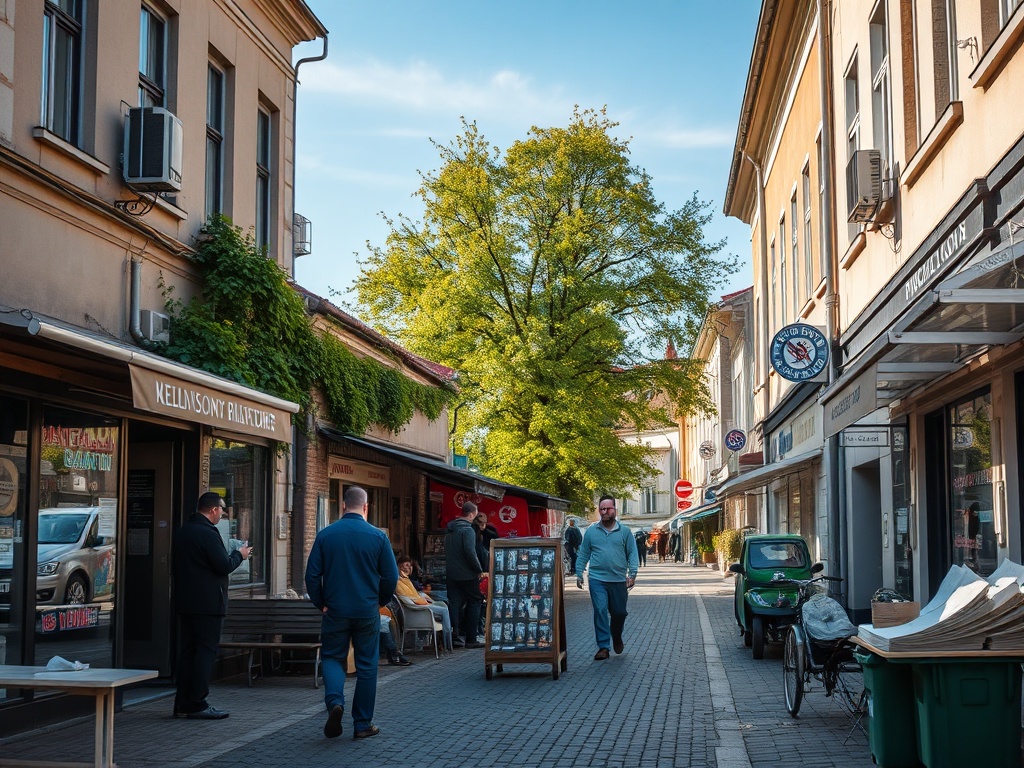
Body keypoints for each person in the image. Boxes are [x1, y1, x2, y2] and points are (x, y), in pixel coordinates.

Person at [305, 485, 399, 741]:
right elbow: (391, 576)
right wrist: (379, 600)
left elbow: (311, 575)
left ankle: (335, 702)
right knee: (367, 666)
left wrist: (320, 603)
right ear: (366, 507)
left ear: (343, 505)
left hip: (335, 609)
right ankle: (362, 724)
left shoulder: (326, 535)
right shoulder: (378, 537)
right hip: (366, 610)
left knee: (333, 657)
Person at [172, 492, 252, 720]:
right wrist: (240, 555)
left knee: (188, 652)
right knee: (205, 653)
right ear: (214, 510)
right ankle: (198, 703)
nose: (223, 515)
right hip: (208, 604)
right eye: (222, 510)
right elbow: (223, 565)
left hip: (186, 602)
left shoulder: (184, 531)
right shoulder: (207, 533)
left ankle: (182, 702)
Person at [575, 495, 638, 661]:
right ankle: (603, 646)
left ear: (615, 510)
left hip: (618, 579)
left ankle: (616, 636)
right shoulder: (591, 531)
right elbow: (583, 553)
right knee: (600, 610)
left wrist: (632, 573)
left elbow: (632, 553)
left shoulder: (624, 532)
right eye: (602, 509)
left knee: (619, 613)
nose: (605, 512)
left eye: (608, 509)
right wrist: (579, 572)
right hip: (597, 579)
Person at [445, 501, 486, 649]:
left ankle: (454, 637)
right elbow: (470, 552)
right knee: (475, 600)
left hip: (451, 574)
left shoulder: (450, 530)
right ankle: (471, 638)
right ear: (470, 514)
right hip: (467, 574)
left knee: (454, 603)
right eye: (475, 514)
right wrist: (478, 569)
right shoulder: (467, 530)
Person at [396, 556, 453, 650]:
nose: (409, 568)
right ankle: (448, 642)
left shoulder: (406, 579)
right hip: (419, 608)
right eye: (406, 565)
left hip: (420, 605)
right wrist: (425, 601)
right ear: (400, 566)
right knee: (444, 610)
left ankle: (445, 641)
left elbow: (414, 595)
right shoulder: (400, 581)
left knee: (443, 604)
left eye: (410, 565)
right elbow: (411, 598)